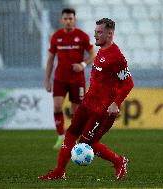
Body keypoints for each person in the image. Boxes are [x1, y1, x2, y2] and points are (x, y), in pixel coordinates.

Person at [39, 18, 134, 180]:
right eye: (95, 31)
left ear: (110, 33)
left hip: (101, 110)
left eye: (99, 32)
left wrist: (115, 103)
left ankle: (119, 161)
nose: (95, 35)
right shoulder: (101, 51)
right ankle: (59, 172)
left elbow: (128, 83)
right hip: (88, 103)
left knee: (87, 143)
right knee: (70, 133)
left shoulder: (116, 56)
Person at [45, 8, 95, 149]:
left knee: (76, 111)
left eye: (70, 18)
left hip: (77, 80)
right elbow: (50, 59)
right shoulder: (56, 37)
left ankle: (73, 138)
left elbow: (93, 54)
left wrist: (83, 64)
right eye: (65, 19)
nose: (68, 21)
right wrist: (47, 80)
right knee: (57, 106)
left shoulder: (82, 36)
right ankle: (61, 137)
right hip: (60, 78)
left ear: (74, 20)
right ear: (62, 20)